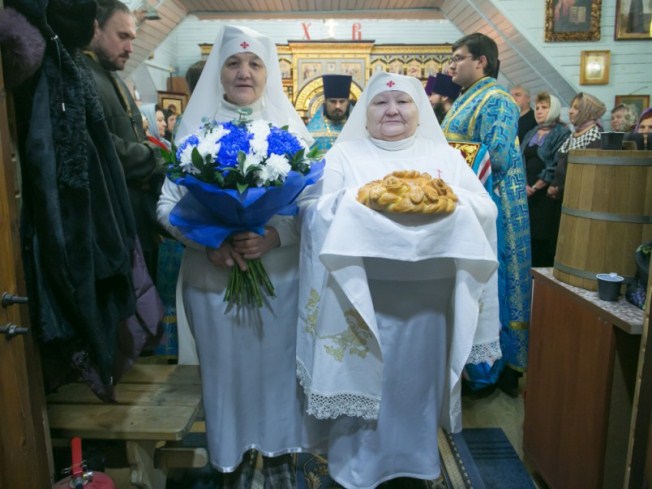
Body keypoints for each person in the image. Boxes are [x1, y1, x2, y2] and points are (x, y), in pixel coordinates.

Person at [297, 71, 500, 489]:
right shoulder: (343, 155)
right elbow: (313, 210)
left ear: (419, 110)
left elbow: (485, 208)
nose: (392, 110)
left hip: (428, 301)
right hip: (359, 299)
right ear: (365, 113)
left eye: (403, 102)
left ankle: (416, 464)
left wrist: (447, 205)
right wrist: (356, 203)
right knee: (363, 383)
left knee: (416, 388)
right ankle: (356, 471)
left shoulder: (445, 157)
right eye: (380, 102)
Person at [157, 25, 315, 487]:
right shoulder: (193, 132)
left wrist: (275, 235)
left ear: (269, 74)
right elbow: (166, 206)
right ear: (218, 72)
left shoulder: (292, 133)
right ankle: (231, 460)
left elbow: (313, 206)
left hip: (280, 282)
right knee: (225, 375)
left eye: (254, 64)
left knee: (278, 374)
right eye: (233, 63)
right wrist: (209, 240)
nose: (244, 72)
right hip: (213, 281)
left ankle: (280, 457)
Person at [441, 32, 531, 396]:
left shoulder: (497, 100)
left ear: (481, 61)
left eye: (458, 58)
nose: (451, 65)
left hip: (495, 206)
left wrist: (446, 159)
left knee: (493, 281)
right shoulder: (466, 98)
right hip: (466, 201)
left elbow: (498, 155)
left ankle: (491, 370)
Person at [83, 0, 166, 280]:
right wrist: (153, 157)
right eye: (122, 36)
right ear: (95, 29)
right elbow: (100, 146)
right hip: (110, 222)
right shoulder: (80, 75)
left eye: (132, 38)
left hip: (135, 218)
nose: (130, 48)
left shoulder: (111, 76)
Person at [547, 92, 605, 254]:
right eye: (572, 107)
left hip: (578, 203)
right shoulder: (575, 134)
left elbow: (588, 176)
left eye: (577, 108)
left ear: (589, 112)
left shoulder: (595, 136)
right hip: (563, 200)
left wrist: (559, 189)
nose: (571, 111)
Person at [520, 92, 570, 267]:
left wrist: (535, 186)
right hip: (526, 190)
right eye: (538, 107)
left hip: (544, 193)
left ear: (554, 109)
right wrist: (523, 184)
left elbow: (556, 163)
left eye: (544, 107)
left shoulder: (562, 133)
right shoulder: (531, 132)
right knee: (527, 235)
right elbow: (520, 158)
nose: (539, 111)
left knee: (541, 237)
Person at [306, 74, 353, 151]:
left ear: (347, 103)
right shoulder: (311, 132)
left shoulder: (355, 129)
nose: (337, 106)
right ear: (325, 102)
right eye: (333, 101)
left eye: (342, 101)